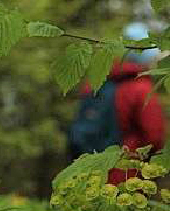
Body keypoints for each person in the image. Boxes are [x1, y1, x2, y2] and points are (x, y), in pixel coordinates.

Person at [68, 22, 165, 185]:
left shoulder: (97, 81)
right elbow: (154, 136)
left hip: (89, 169)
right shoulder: (141, 88)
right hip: (127, 172)